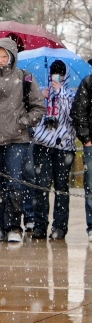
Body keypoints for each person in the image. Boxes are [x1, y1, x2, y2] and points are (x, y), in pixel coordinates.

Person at [0, 37, 46, 243]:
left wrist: (22, 122)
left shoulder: (25, 78)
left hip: (17, 139)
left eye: (5, 56)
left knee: (15, 184)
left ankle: (14, 227)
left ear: (12, 56)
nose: (1, 60)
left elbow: (39, 108)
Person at [31, 60, 76, 240]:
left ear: (65, 76)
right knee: (41, 186)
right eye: (54, 73)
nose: (56, 77)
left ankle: (60, 227)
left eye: (60, 74)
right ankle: (40, 225)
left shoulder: (71, 94)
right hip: (43, 144)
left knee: (61, 187)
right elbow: (33, 113)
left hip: (64, 146)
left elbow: (72, 115)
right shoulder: (43, 91)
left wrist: (60, 93)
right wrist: (41, 97)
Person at [72, 69, 92, 242]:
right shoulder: (89, 82)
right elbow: (78, 110)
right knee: (91, 186)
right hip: (91, 144)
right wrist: (86, 139)